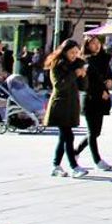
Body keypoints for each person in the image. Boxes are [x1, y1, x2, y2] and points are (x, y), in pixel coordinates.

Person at [44, 40, 89, 177]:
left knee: (63, 138)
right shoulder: (57, 65)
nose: (74, 55)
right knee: (68, 136)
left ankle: (56, 165)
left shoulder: (76, 65)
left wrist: (83, 75)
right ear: (64, 51)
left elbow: (83, 87)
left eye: (76, 52)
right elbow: (59, 86)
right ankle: (74, 167)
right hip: (60, 105)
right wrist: (74, 74)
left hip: (72, 104)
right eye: (72, 52)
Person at [74, 37, 112, 170]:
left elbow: (110, 75)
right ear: (87, 45)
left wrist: (110, 81)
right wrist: (101, 90)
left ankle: (75, 152)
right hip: (90, 98)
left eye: (98, 43)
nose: (96, 46)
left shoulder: (104, 59)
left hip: (102, 99)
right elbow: (86, 83)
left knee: (96, 132)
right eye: (93, 43)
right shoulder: (84, 61)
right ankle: (97, 160)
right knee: (92, 131)